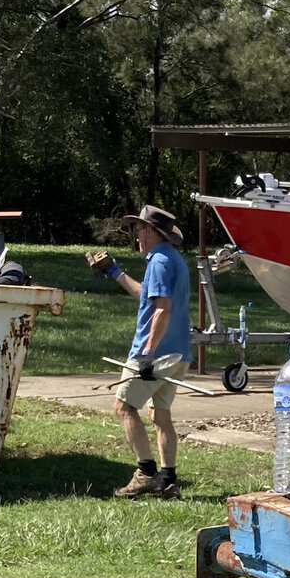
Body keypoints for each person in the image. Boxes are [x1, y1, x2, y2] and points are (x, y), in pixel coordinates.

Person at [87, 206, 191, 499]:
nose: (137, 234)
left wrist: (147, 352)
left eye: (140, 229)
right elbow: (146, 294)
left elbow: (161, 308)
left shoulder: (158, 261)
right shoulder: (171, 259)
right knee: (160, 414)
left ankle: (146, 473)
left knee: (123, 407)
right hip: (179, 352)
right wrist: (114, 271)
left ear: (153, 232)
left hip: (155, 352)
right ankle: (169, 481)